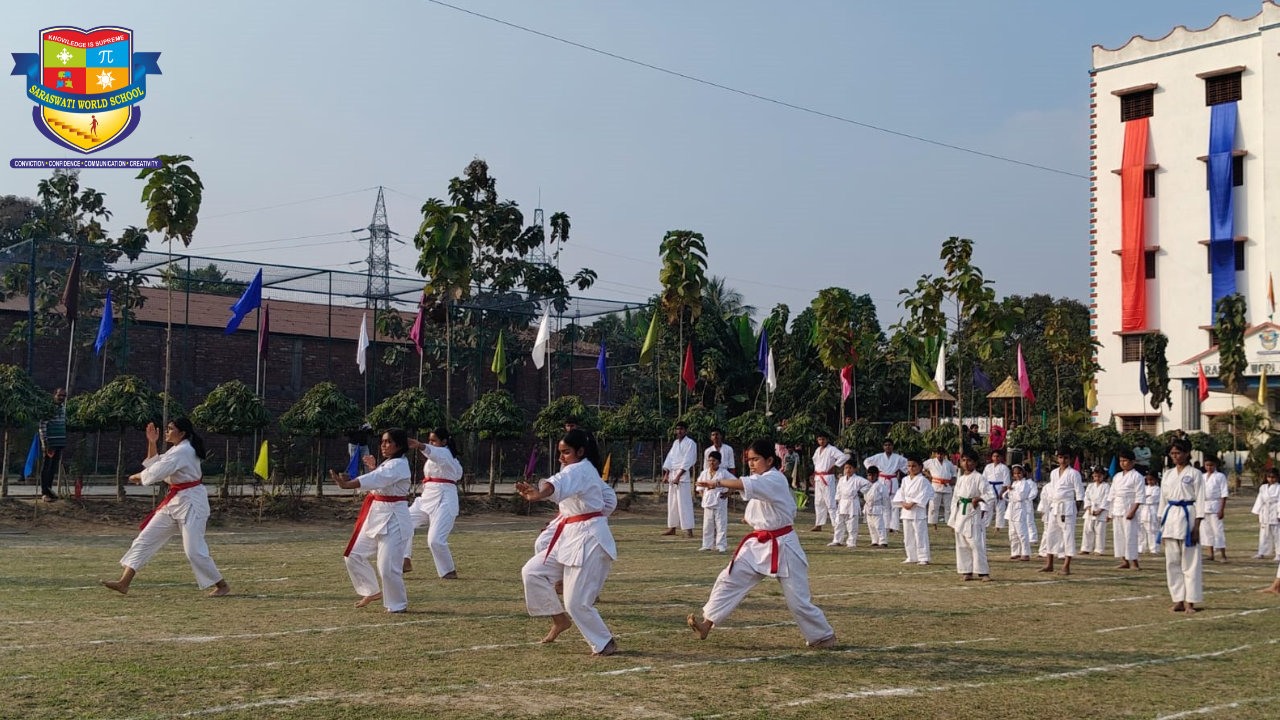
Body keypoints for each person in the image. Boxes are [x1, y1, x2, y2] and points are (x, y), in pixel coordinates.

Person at [687, 440, 837, 649]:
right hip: (758, 544)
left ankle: (823, 636)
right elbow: (758, 497)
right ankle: (706, 624)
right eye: (749, 460)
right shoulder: (762, 480)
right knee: (728, 578)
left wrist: (718, 483)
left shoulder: (775, 478)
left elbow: (747, 484)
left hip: (783, 545)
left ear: (769, 460)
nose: (751, 464)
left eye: (755, 459)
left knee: (798, 602)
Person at [516, 429, 618, 656]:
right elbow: (609, 499)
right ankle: (559, 619)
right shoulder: (583, 471)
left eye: (566, 452)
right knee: (532, 571)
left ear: (580, 451)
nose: (561, 457)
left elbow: (555, 485)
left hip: (590, 540)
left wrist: (538, 494)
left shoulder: (580, 469)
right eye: (560, 453)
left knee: (576, 603)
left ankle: (604, 643)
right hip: (569, 535)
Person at [100, 419, 229, 597]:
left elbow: (158, 470)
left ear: (182, 433)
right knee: (145, 539)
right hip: (175, 501)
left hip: (192, 502)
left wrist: (139, 477)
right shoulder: (177, 449)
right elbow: (157, 464)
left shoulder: (184, 450)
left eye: (170, 429)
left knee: (193, 551)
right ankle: (124, 582)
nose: (167, 432)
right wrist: (151, 443)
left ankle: (222, 585)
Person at [332, 429, 412, 612]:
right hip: (377, 515)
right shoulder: (389, 463)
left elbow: (378, 478)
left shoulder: (398, 464)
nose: (383, 445)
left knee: (387, 567)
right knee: (353, 555)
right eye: (382, 441)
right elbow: (381, 479)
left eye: (388, 442)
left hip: (394, 519)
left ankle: (397, 605)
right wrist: (374, 468)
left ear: (399, 445)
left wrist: (348, 485)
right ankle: (372, 590)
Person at [402, 427, 462, 579]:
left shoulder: (446, 454)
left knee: (435, 540)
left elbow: (435, 453)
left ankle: (448, 571)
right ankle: (404, 559)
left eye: (434, 440)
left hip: (444, 499)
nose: (431, 443)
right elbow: (432, 454)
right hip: (427, 497)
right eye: (429, 440)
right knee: (402, 521)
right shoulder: (436, 456)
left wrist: (420, 445)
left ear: (444, 442)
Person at [1161, 440, 1206, 614]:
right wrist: (1162, 527)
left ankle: (1191, 601)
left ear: (1187, 453)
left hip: (1188, 514)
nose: (1175, 456)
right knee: (1172, 562)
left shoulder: (1195, 474)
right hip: (1170, 516)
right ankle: (1178, 599)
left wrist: (1197, 527)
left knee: (1190, 562)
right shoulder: (1168, 474)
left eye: (1178, 453)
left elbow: (1201, 499)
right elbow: (1162, 501)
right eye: (1172, 453)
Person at [950, 449, 994, 581]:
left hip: (973, 512)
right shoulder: (961, 479)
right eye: (963, 460)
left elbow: (990, 495)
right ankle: (966, 571)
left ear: (975, 463)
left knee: (976, 543)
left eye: (969, 460)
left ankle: (983, 572)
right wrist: (953, 518)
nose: (966, 463)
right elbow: (955, 499)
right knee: (962, 544)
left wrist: (978, 499)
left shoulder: (979, 478)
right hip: (961, 512)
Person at [1041, 447, 1084, 576]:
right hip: (1055, 506)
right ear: (1057, 458)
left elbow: (1080, 494)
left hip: (1068, 506)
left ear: (1070, 459)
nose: (1063, 460)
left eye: (1065, 457)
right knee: (1051, 534)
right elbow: (1053, 490)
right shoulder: (1054, 473)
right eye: (1060, 457)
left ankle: (1066, 565)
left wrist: (1076, 510)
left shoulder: (1074, 474)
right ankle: (1049, 564)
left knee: (1068, 536)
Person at [893, 457, 935, 566]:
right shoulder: (905, 480)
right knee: (908, 536)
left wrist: (913, 503)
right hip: (906, 511)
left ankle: (923, 557)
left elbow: (926, 493)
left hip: (917, 510)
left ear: (920, 467)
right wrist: (903, 503)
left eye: (914, 466)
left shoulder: (923, 480)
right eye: (909, 466)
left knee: (920, 535)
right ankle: (911, 556)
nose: (911, 468)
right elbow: (901, 492)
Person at [661, 422, 698, 538]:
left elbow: (688, 460)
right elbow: (670, 459)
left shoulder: (690, 443)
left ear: (686, 430)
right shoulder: (675, 443)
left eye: (681, 429)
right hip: (673, 474)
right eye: (677, 429)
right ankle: (672, 527)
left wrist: (679, 476)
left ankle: (688, 530)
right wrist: (666, 474)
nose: (679, 431)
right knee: (672, 503)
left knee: (684, 504)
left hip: (682, 476)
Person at [810, 431, 850, 532]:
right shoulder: (818, 450)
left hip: (827, 477)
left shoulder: (832, 449)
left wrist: (835, 466)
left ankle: (836, 524)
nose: (821, 441)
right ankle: (819, 524)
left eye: (823, 439)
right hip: (819, 477)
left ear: (827, 439)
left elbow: (843, 457)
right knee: (818, 502)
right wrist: (814, 473)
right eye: (819, 439)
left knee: (830, 502)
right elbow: (815, 462)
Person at [1111, 450, 1144, 570]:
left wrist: (1132, 511)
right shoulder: (1117, 476)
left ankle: (1134, 562)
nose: (1123, 463)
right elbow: (1112, 494)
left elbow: (1140, 496)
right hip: (1117, 507)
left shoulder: (1137, 476)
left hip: (1129, 506)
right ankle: (1124, 560)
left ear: (1132, 462)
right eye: (1121, 461)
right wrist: (1110, 512)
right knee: (1119, 536)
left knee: (1130, 536)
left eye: (1125, 461)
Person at [864, 440, 907, 532]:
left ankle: (894, 527)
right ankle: (886, 526)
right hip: (882, 480)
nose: (888, 447)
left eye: (890, 445)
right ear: (883, 447)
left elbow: (906, 465)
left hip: (892, 480)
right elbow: (866, 461)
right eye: (886, 445)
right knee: (884, 504)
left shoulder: (898, 458)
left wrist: (903, 470)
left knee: (895, 504)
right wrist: (875, 471)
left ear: (893, 446)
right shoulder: (879, 456)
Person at [697, 451, 734, 553]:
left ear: (719, 462)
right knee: (707, 524)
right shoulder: (704, 473)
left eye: (714, 461)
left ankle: (721, 545)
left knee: (720, 524)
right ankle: (707, 545)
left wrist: (728, 493)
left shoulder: (724, 473)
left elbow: (734, 482)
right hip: (708, 501)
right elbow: (699, 486)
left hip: (720, 501)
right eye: (709, 460)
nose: (711, 463)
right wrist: (703, 495)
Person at [37, 387, 68, 502]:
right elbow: (42, 426)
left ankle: (49, 491)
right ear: (54, 395)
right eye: (60, 395)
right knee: (47, 467)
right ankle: (44, 493)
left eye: (64, 396)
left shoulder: (63, 408)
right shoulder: (48, 409)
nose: (62, 398)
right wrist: (45, 442)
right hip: (51, 444)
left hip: (59, 442)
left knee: (53, 468)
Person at [830, 463, 870, 548]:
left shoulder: (858, 479)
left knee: (852, 524)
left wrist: (860, 491)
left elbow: (868, 484)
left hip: (852, 502)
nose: (848, 470)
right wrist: (838, 498)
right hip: (842, 502)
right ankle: (837, 540)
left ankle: (851, 542)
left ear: (854, 469)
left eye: (850, 468)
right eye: (846, 468)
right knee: (838, 523)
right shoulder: (841, 479)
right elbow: (838, 490)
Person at [1006, 463, 1038, 561]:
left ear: (1023, 473)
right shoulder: (1014, 483)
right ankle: (1015, 552)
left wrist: (1011, 492)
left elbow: (1020, 497)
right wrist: (1009, 491)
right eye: (1015, 474)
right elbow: (1007, 496)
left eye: (1019, 473)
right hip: (1012, 509)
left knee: (1022, 532)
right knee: (1012, 532)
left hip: (1020, 509)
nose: (1017, 475)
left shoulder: (1026, 484)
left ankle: (1026, 553)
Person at [1201, 456, 1229, 563]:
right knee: (1206, 531)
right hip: (1204, 505)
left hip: (1216, 505)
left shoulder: (1220, 476)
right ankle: (1210, 554)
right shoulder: (1202, 476)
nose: (1209, 467)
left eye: (1211, 465)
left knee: (1218, 530)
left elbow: (1224, 493)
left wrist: (1221, 509)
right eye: (1207, 465)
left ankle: (1223, 555)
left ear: (1215, 465)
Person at [1081, 466, 1111, 555]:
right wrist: (1089, 508)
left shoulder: (1106, 486)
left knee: (1100, 531)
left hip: (1101, 511)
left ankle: (1099, 549)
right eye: (1095, 476)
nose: (1097, 478)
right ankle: (1086, 548)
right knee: (1087, 530)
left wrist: (1100, 509)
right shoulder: (1090, 486)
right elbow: (1086, 497)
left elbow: (1107, 499)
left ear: (1103, 476)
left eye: (1099, 476)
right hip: (1090, 511)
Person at [1252, 467, 1280, 562]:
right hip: (1265, 512)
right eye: (1269, 477)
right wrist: (1258, 512)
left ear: (1277, 478)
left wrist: (1279, 514)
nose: (1271, 479)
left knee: (1277, 535)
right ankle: (1262, 552)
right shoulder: (1263, 487)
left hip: (1275, 512)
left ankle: (1278, 553)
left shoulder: (1279, 487)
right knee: (1263, 534)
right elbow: (1259, 500)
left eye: (1273, 477)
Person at [924, 447, 956, 528]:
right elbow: (922, 467)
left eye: (941, 454)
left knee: (948, 506)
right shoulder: (931, 462)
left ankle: (949, 522)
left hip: (947, 486)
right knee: (934, 506)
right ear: (935, 454)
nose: (939, 455)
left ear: (944, 454)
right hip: (935, 485)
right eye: (938, 453)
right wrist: (928, 475)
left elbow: (954, 473)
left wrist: (953, 479)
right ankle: (933, 523)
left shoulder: (948, 463)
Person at [982, 449, 1011, 532]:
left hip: (999, 487)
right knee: (987, 507)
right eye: (994, 456)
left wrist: (1002, 492)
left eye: (998, 456)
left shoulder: (1004, 468)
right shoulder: (988, 467)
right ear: (992, 457)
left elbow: (1006, 482)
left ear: (1001, 457)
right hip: (989, 487)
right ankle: (985, 524)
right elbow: (983, 479)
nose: (996, 458)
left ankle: (998, 526)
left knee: (1000, 508)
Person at [862, 467, 889, 548]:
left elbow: (885, 498)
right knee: (871, 525)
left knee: (879, 525)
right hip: (868, 507)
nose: (871, 477)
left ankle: (883, 541)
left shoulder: (881, 486)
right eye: (869, 475)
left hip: (877, 507)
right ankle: (874, 540)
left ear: (877, 475)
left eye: (873, 475)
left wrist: (886, 509)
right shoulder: (866, 485)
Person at [1139, 471, 1162, 555]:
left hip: (1152, 510)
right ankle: (1141, 548)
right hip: (1143, 510)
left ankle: (1154, 548)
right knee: (1141, 531)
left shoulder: (1158, 489)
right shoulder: (1144, 488)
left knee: (1152, 530)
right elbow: (1140, 497)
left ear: (1156, 480)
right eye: (1148, 480)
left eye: (1151, 480)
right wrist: (1146, 497)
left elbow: (1152, 499)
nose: (1149, 481)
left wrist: (1146, 497)